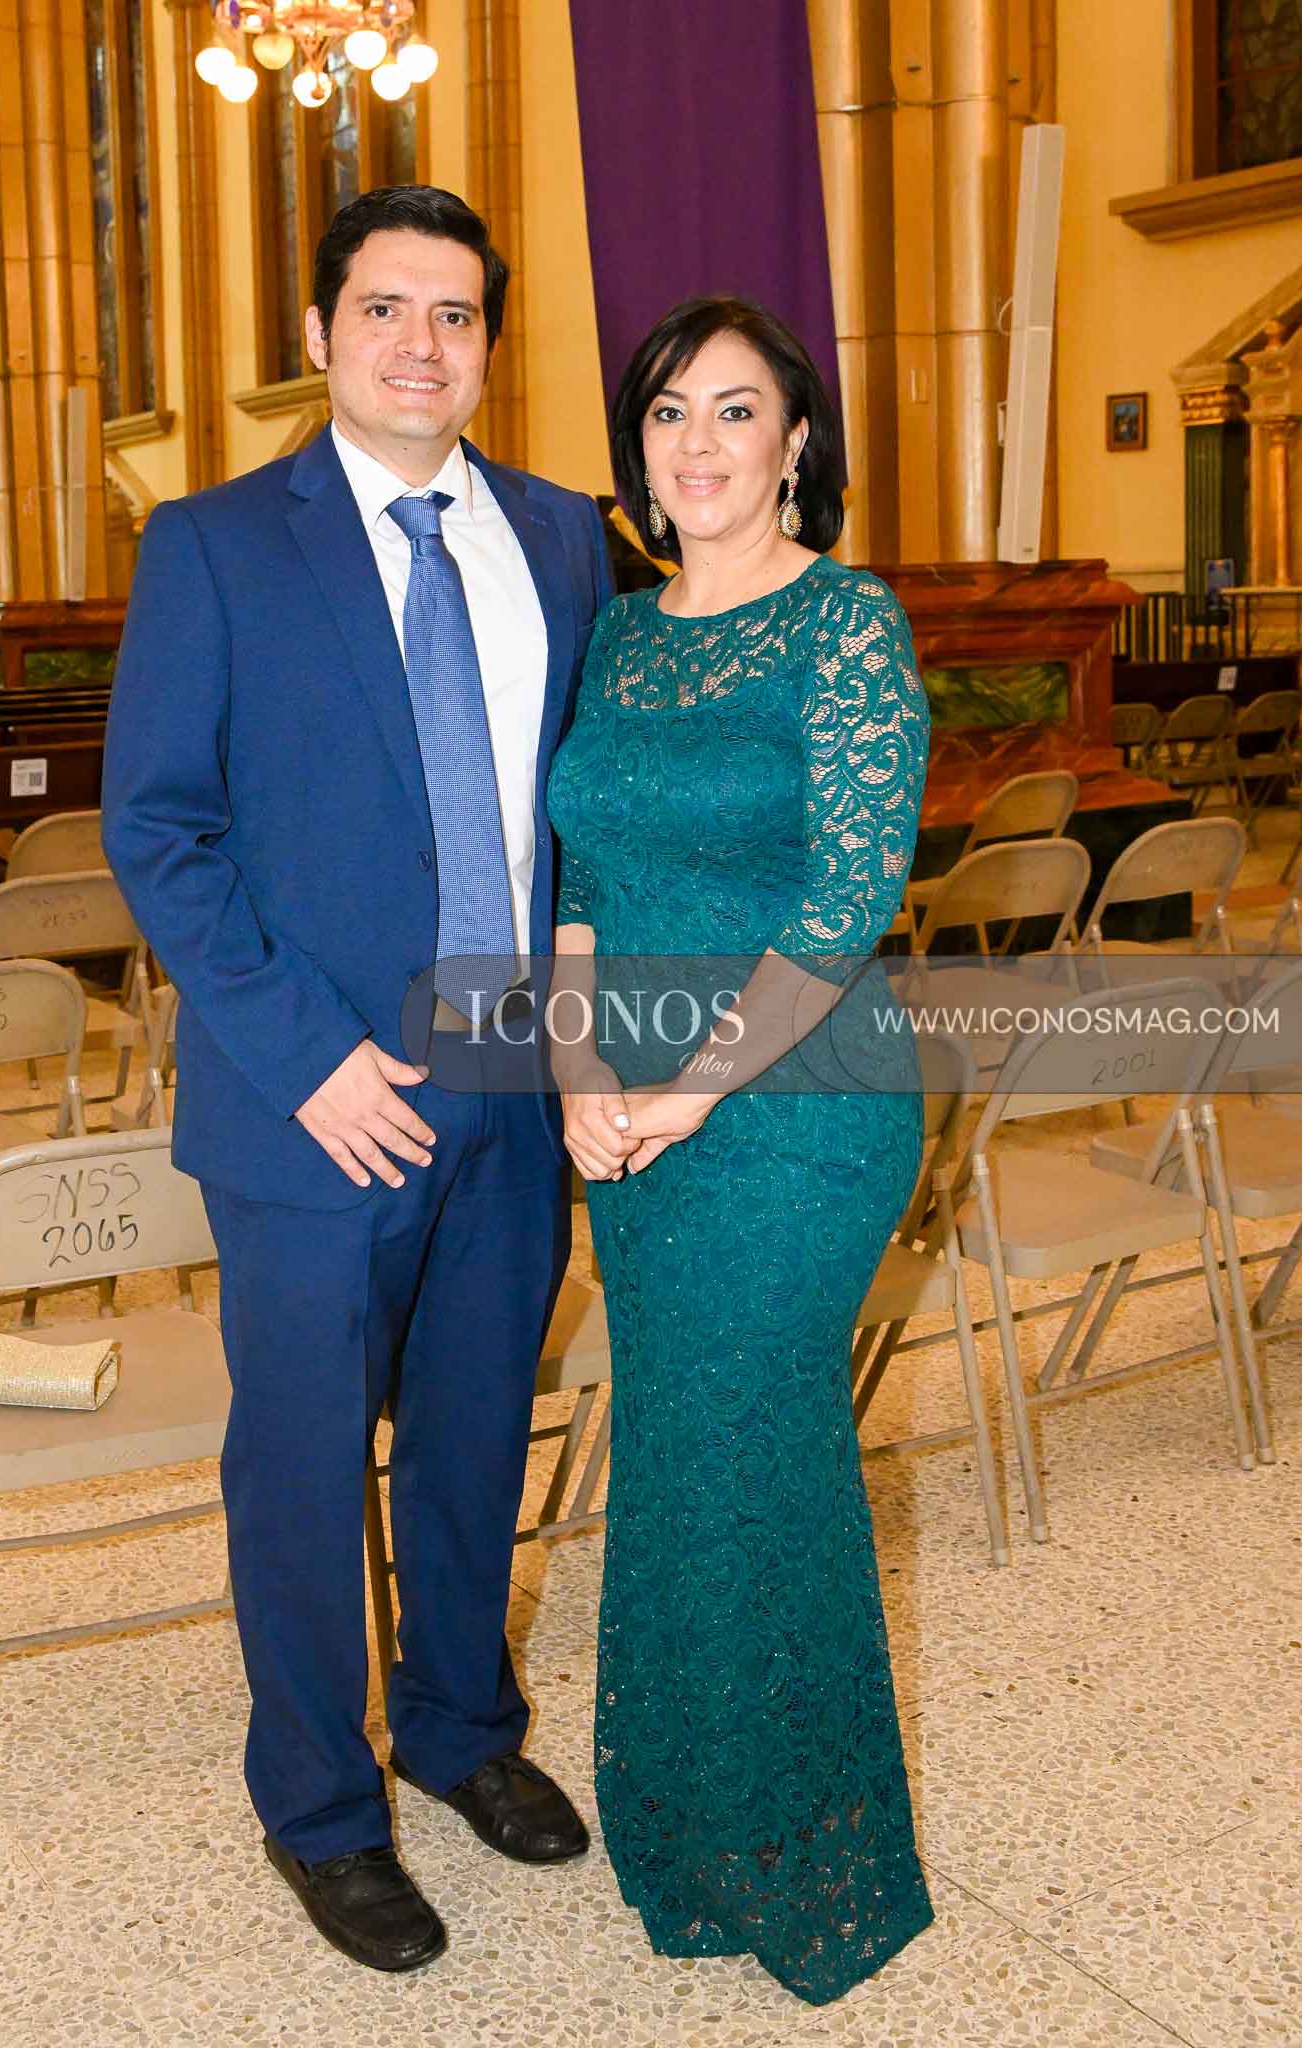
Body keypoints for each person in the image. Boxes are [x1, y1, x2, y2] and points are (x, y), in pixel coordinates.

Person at [102, 185, 611, 1976]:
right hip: (315, 1094)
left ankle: (461, 1731)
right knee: (309, 1466)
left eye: (455, 314)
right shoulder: (216, 544)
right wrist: (309, 1056)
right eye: (385, 309)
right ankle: (321, 1809)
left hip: (505, 1070)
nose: (420, 344)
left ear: (489, 345)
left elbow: (574, 819)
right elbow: (159, 830)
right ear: (320, 336)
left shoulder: (561, 537)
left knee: (474, 1432)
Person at [545, 296, 934, 2004]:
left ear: (795, 443)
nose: (697, 443)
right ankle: (693, 1829)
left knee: (757, 1437)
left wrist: (693, 1087)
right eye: (667, 413)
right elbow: (580, 881)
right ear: (637, 451)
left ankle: (818, 1851)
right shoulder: (621, 639)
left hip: (798, 1104)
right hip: (626, 1108)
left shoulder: (846, 622)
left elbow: (850, 890)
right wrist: (574, 1071)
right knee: (678, 1446)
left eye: (734, 409)